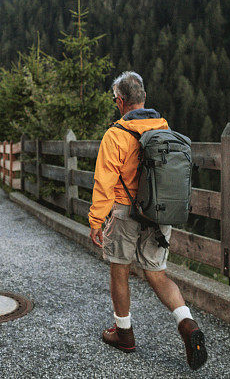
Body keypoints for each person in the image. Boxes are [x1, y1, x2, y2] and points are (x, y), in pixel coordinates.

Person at [88, 71, 207, 370]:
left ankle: (124, 334)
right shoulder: (164, 128)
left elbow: (104, 184)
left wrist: (95, 220)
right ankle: (188, 325)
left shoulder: (115, 134)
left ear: (121, 101)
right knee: (158, 274)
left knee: (120, 271)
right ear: (143, 99)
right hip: (158, 212)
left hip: (126, 211)